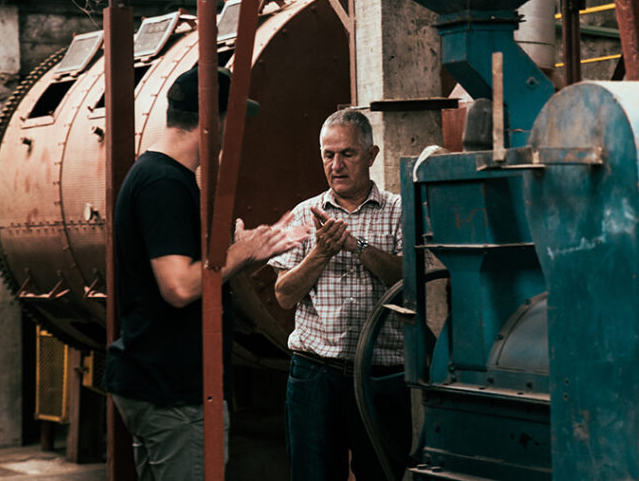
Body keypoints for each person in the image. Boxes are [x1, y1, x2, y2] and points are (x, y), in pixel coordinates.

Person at [102, 64, 309, 480]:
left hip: (157, 382)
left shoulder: (160, 176)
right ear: (213, 121)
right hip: (173, 392)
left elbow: (197, 273)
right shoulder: (165, 184)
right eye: (233, 122)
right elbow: (178, 286)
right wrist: (238, 252)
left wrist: (246, 254)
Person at [271, 109, 410, 481]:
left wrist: (355, 244)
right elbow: (284, 295)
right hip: (315, 375)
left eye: (347, 153)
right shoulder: (304, 214)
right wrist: (320, 253)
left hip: (382, 375)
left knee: (382, 474)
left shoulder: (399, 212)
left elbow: (410, 281)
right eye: (328, 155)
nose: (336, 165)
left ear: (372, 155)